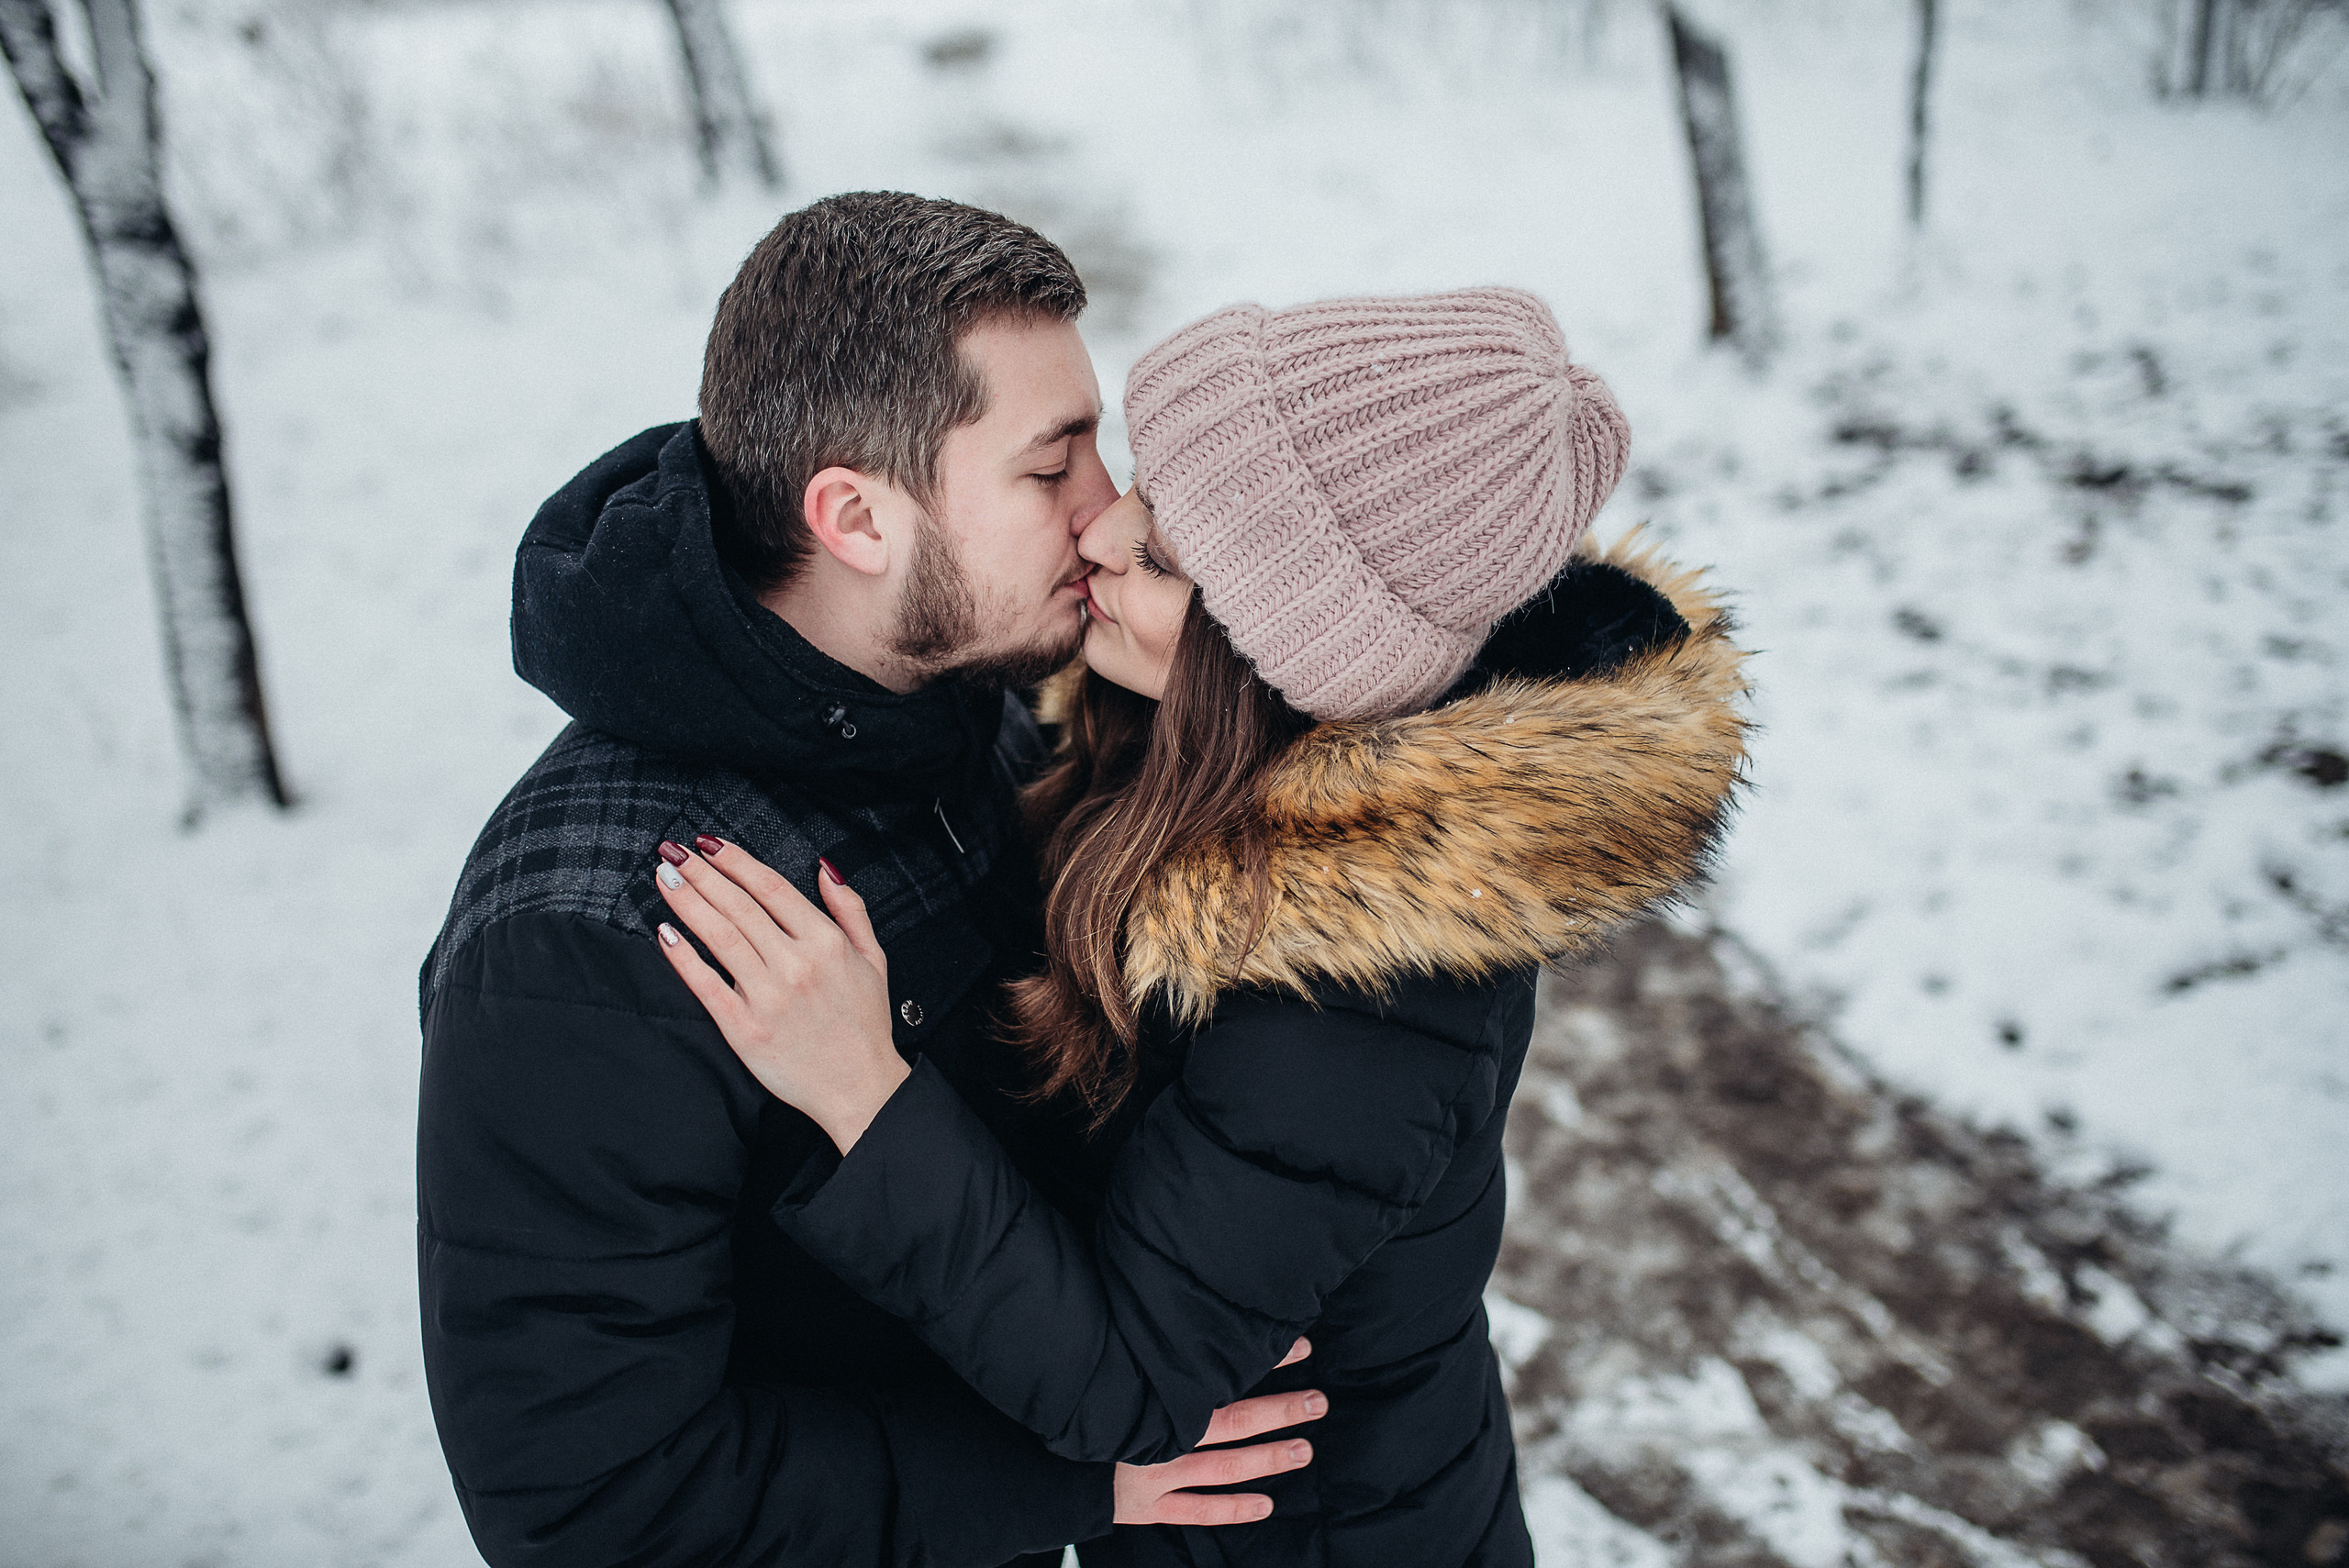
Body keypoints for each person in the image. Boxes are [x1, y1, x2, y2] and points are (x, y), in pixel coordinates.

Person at [648, 287, 1753, 1564]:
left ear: (1287, 652)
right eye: (1141, 483)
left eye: (1164, 554)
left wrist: (864, 1096)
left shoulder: (1362, 997)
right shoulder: (1178, 759)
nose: (1103, 530)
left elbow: (1133, 1387)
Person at [416, 192, 1325, 1568]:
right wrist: (1067, 1479)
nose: (1110, 514)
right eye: (1051, 467)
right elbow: (596, 1509)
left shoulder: (964, 709)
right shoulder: (585, 941)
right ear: (853, 515)